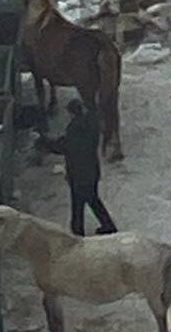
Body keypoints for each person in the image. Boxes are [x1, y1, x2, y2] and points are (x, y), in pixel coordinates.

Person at [36, 98, 117, 237]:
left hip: (79, 174)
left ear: (72, 113)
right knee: (92, 200)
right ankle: (107, 226)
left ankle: (78, 232)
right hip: (92, 171)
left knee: (78, 205)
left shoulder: (75, 129)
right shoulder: (91, 125)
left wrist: (44, 142)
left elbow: (65, 146)